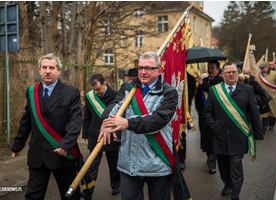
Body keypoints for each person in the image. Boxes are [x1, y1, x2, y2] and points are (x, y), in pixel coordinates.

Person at [98, 52, 190, 200]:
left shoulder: (169, 92)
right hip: (129, 163)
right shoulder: (128, 88)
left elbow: (158, 120)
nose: (142, 72)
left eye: (148, 68)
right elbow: (114, 105)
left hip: (157, 161)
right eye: (140, 68)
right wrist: (106, 121)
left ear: (159, 70)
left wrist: (127, 123)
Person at [10, 53, 93, 200]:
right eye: (44, 67)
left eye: (52, 68)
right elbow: (27, 121)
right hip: (38, 156)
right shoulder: (32, 92)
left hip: (62, 155)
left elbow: (74, 122)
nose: (48, 71)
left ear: (59, 70)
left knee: (70, 196)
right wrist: (18, 144)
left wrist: (66, 145)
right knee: (33, 196)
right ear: (40, 70)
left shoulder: (71, 92)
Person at [204, 61, 263, 200]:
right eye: (228, 72)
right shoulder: (214, 90)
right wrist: (214, 126)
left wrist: (257, 134)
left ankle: (235, 195)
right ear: (222, 74)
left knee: (236, 165)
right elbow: (207, 112)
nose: (232, 75)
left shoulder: (247, 89)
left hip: (239, 136)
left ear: (238, 73)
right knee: (223, 166)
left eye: (234, 72)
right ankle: (228, 184)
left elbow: (254, 113)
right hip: (220, 137)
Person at [81, 73, 120, 200]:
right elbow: (86, 116)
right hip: (94, 134)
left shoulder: (115, 95)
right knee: (92, 164)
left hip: (111, 134)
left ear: (104, 84)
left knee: (113, 164)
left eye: (98, 89)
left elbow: (119, 117)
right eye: (94, 90)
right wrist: (85, 133)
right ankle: (88, 190)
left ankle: (116, 185)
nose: (96, 92)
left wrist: (118, 134)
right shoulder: (89, 97)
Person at [194, 60, 223, 174]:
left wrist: (202, 83)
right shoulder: (204, 80)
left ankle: (212, 164)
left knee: (213, 138)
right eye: (209, 68)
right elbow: (198, 97)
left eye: (212, 68)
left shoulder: (220, 81)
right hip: (203, 115)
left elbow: (214, 92)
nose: (210, 70)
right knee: (205, 137)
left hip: (215, 115)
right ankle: (210, 158)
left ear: (217, 70)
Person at [255, 62, 276, 131]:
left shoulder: (275, 74)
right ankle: (265, 126)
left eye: (263, 68)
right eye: (261, 69)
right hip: (263, 98)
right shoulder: (257, 76)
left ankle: (272, 125)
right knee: (264, 113)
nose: (262, 70)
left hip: (273, 97)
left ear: (267, 67)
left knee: (273, 113)